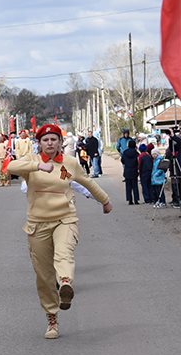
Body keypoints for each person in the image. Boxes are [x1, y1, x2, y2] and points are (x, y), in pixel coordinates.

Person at [8, 124, 112, 340]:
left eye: (54, 139)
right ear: (39, 143)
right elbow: (10, 167)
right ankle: (52, 318)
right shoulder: (31, 162)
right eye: (45, 140)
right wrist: (36, 168)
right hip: (38, 224)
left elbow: (87, 183)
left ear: (60, 142)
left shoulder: (70, 163)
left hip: (65, 218)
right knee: (44, 275)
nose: (50, 143)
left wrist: (105, 200)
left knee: (64, 253)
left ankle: (65, 282)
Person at [121, 139, 140, 205]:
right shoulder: (136, 153)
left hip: (127, 170)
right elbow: (138, 161)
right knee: (135, 186)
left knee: (128, 186)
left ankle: (130, 200)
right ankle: (136, 200)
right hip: (134, 170)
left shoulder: (125, 152)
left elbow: (122, 160)